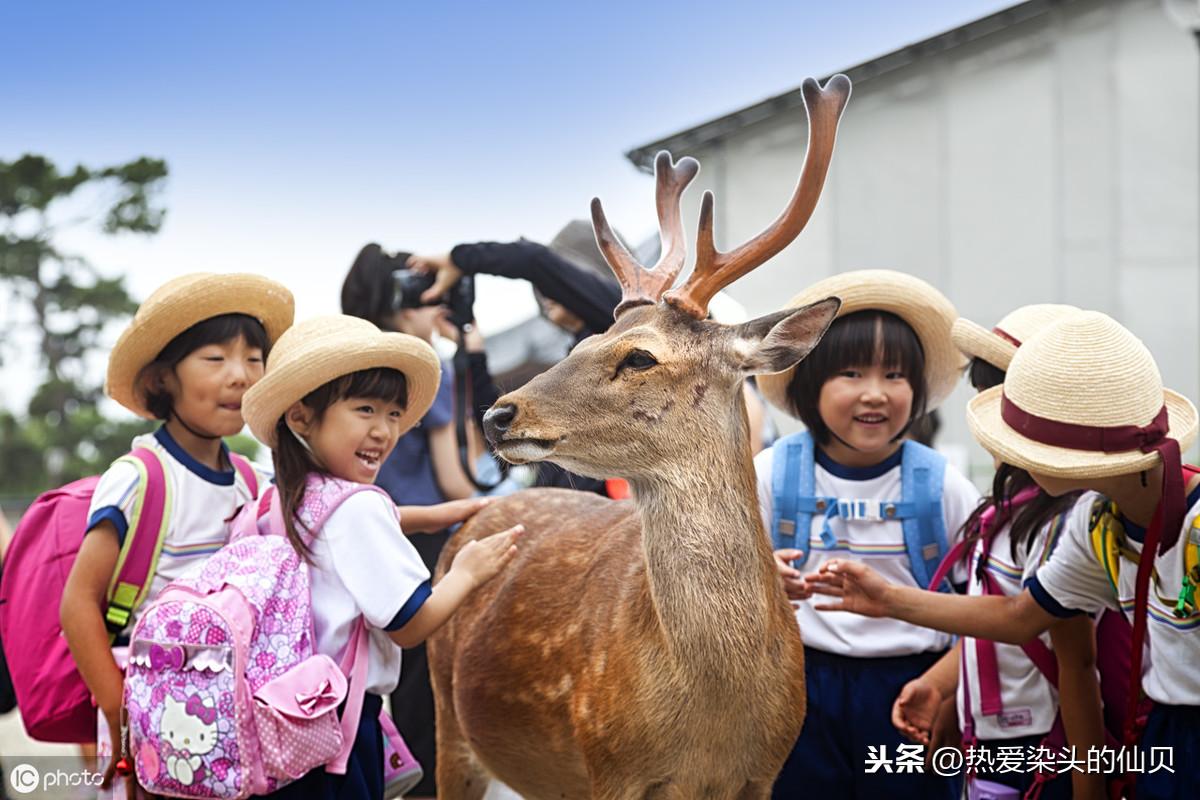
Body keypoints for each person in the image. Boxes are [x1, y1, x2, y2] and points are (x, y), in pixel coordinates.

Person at [807, 310, 1200, 800]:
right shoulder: (1095, 521)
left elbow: (1071, 658)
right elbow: (1022, 616)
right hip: (1158, 736)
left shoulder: (1175, 526)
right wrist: (887, 599)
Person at [240, 315, 521, 799]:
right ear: (301, 416)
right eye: (365, 409)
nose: (384, 431)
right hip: (336, 735)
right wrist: (467, 573)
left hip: (276, 722)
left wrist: (426, 516)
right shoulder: (359, 509)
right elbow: (410, 624)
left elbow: (331, 528)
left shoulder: (271, 500)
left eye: (394, 414)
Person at [58, 273, 294, 796]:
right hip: (148, 720)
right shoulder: (138, 478)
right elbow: (78, 604)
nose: (240, 375)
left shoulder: (252, 484)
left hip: (231, 723)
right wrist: (123, 714)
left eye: (254, 358)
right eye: (215, 359)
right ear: (164, 378)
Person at [752, 269, 980, 799]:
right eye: (851, 373)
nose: (875, 394)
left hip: (913, 691)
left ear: (918, 388)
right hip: (796, 689)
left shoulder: (942, 484)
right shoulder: (769, 474)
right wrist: (763, 586)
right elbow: (721, 587)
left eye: (895, 375)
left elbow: (985, 609)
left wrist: (940, 686)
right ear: (810, 384)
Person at [895, 303, 1107, 800]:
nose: (986, 413)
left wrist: (1088, 788)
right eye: (983, 395)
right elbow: (994, 627)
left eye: (1001, 398)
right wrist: (946, 691)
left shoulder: (1070, 517)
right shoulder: (1004, 509)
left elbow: (1073, 661)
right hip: (990, 747)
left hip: (1049, 750)